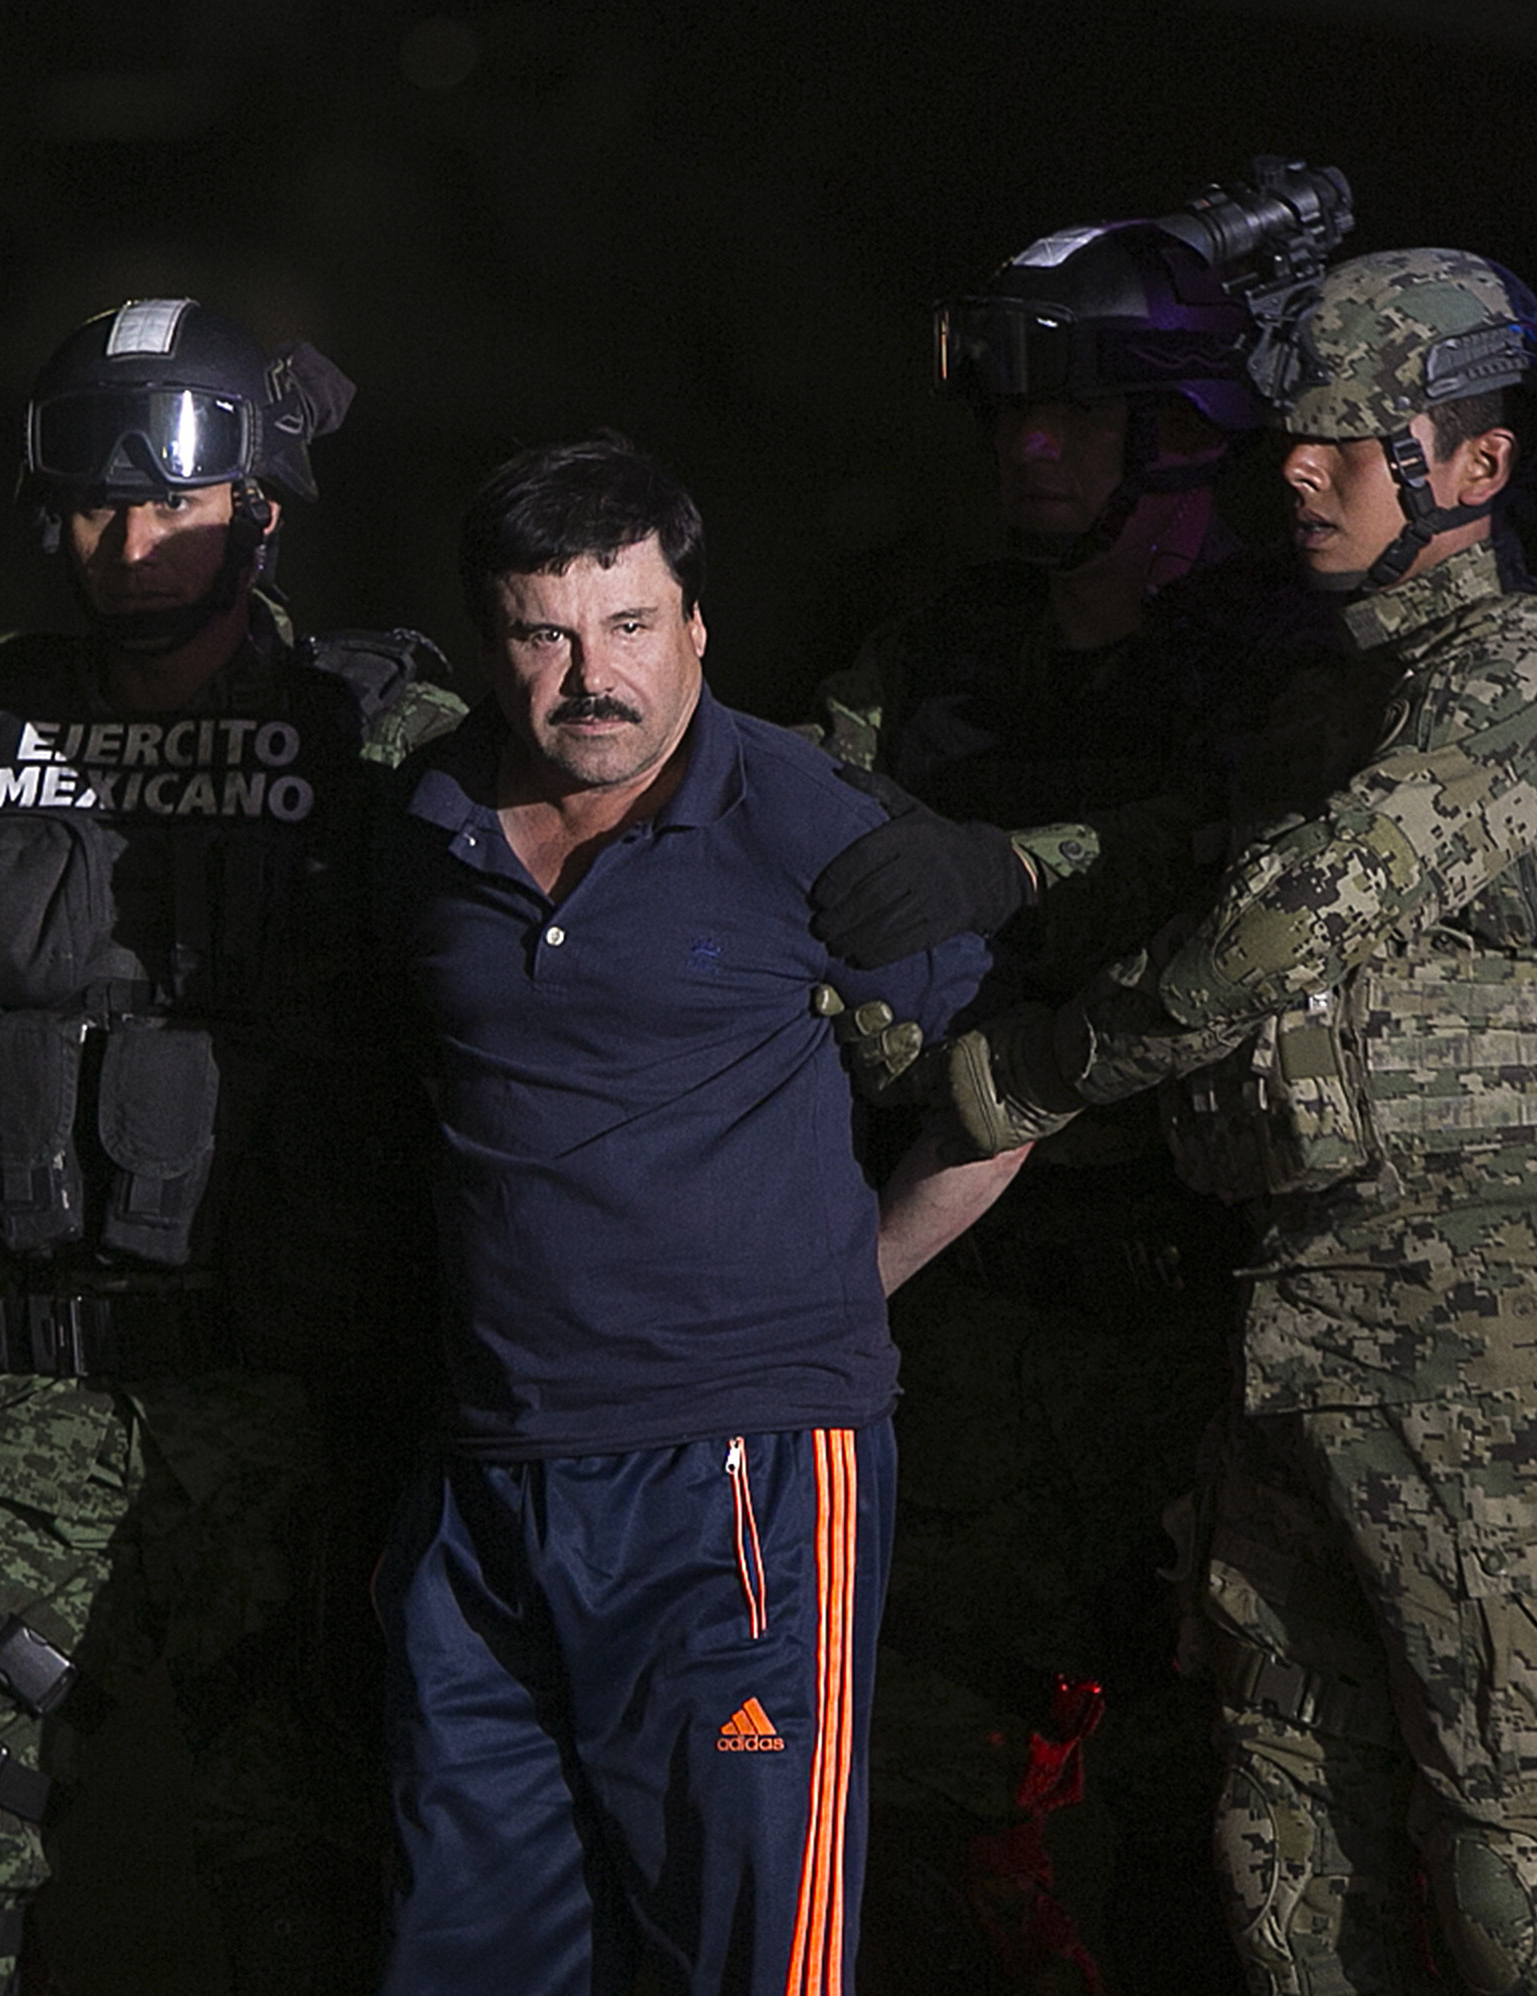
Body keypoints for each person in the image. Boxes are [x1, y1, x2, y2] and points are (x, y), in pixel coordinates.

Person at [910, 249, 1537, 1994]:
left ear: (1476, 468)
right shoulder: (1322, 692)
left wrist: (1028, 1069)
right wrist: (983, 865)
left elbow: (1282, 921)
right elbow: (1177, 843)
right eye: (1293, 434)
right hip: (1304, 1328)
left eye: (1354, 438)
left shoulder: (1526, 684)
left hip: (1505, 1362)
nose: (1298, 468)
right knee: (1286, 1862)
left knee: (1522, 1889)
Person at [0, 297, 466, 1996]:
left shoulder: (370, 736)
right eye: (95, 503)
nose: (126, 540)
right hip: (14, 1399)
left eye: (169, 499)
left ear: (262, 502)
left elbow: (492, 1063)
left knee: (306, 1878)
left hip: (277, 1413)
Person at [373, 434, 1007, 1996]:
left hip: (742, 1479)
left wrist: (840, 1289)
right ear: (489, 639)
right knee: (465, 1959)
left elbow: (1015, 1097)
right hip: (488, 1488)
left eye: (631, 625)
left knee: (748, 1956)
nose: (593, 675)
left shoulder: (800, 814)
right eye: (545, 632)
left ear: (698, 626)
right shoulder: (428, 821)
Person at [807, 200, 1338, 1995]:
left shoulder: (1285, 661)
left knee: (1226, 1835)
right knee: (932, 1818)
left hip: (1200, 1330)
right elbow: (814, 833)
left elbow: (1265, 878)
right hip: (968, 1327)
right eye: (1011, 416)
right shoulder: (944, 649)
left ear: (1183, 432)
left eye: (1074, 418)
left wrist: (1015, 873)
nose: (1026, 451)